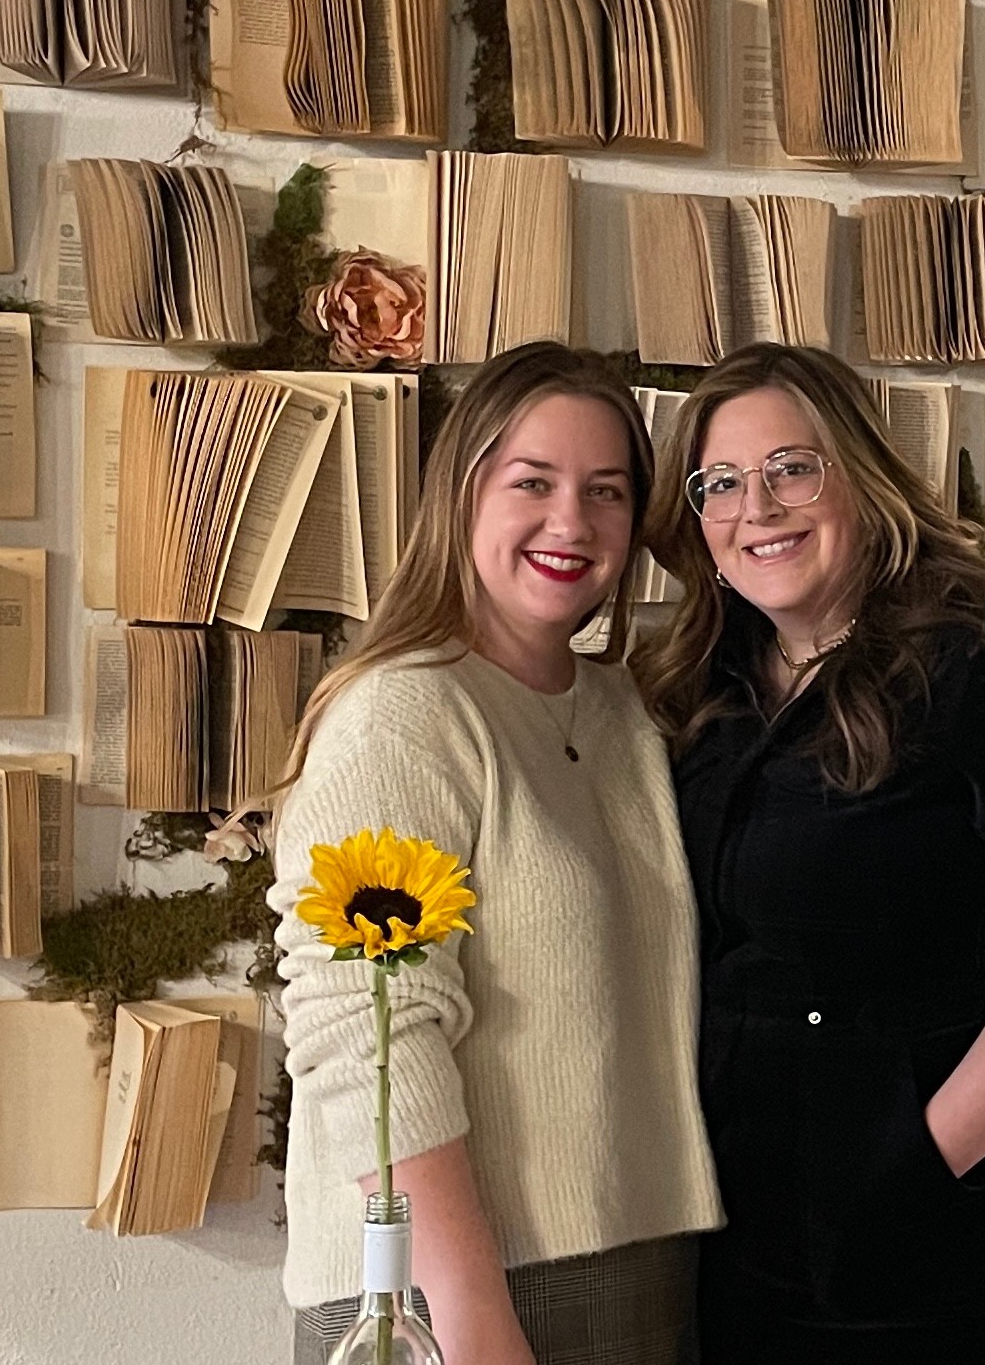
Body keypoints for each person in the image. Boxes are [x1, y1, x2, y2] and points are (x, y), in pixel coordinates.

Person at [634, 343, 985, 1364]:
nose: (756, 507)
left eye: (791, 468)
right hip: (749, 1218)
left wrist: (909, 1167)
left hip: (943, 1223)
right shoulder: (708, 680)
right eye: (719, 482)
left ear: (860, 475)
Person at [268, 342, 722, 1365]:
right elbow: (365, 1028)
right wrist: (469, 1312)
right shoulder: (400, 717)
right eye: (533, 482)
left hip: (638, 1271)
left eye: (606, 491)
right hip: (451, 1294)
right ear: (462, 493)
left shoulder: (627, 715)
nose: (573, 522)